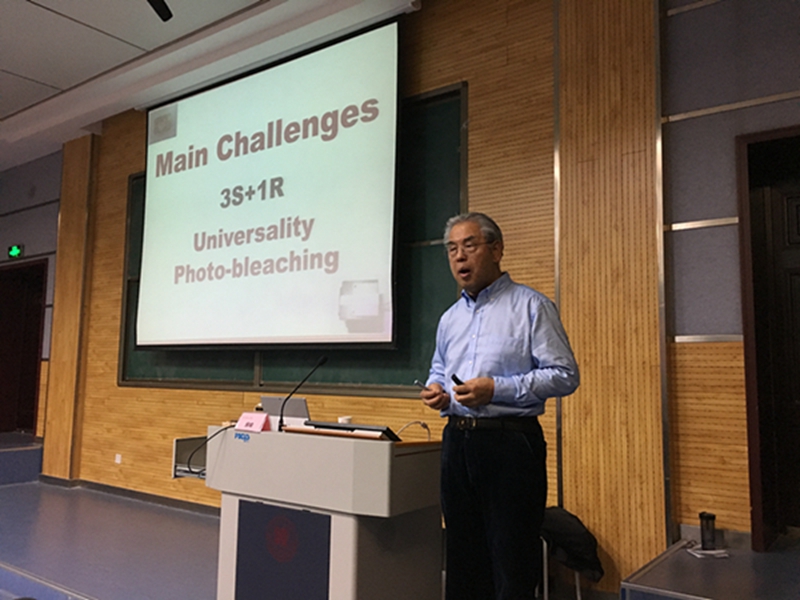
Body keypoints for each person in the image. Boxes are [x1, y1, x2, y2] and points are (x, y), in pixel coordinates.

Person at [421, 212, 580, 600]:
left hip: (511, 445)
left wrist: (497, 390)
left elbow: (564, 375)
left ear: (496, 250)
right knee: (463, 559)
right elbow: (439, 367)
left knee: (512, 562)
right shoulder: (449, 319)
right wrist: (436, 389)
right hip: (457, 443)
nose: (459, 257)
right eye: (452, 249)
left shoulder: (531, 307)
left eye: (469, 245)